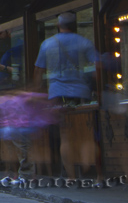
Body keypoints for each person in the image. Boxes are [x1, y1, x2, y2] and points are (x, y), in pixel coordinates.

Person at [32, 11, 101, 180]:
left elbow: (38, 71)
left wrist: (38, 92)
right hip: (81, 92)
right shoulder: (84, 42)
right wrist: (97, 88)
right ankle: (98, 174)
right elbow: (96, 66)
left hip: (57, 94)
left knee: (66, 135)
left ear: (58, 25)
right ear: (75, 25)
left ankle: (71, 176)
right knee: (87, 133)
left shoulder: (47, 44)